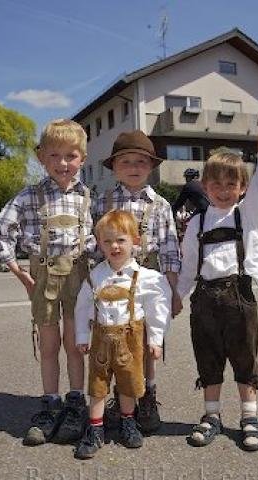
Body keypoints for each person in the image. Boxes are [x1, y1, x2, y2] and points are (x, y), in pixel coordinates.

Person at [175, 105, 258, 451]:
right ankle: (211, 415)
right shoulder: (196, 223)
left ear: (242, 187)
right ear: (204, 186)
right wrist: (178, 295)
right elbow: (189, 265)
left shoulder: (247, 214)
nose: (223, 190)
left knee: (244, 356)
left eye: (231, 184)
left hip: (239, 296)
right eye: (216, 184)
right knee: (208, 356)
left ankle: (249, 417)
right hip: (203, 299)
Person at [0, 119, 94, 446]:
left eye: (71, 156)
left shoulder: (88, 197)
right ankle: (50, 402)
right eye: (54, 156)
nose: (63, 163)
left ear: (83, 159)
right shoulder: (29, 196)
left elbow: (101, 241)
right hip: (42, 277)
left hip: (79, 276)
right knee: (48, 344)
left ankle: (76, 403)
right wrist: (20, 274)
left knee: (75, 344)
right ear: (41, 157)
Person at [92, 130, 181, 434]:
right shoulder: (102, 202)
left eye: (141, 162)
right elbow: (94, 248)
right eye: (126, 161)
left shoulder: (161, 206)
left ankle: (147, 397)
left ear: (151, 167)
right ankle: (120, 397)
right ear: (114, 167)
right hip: (113, 286)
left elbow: (170, 251)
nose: (133, 167)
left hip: (148, 285)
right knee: (114, 340)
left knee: (147, 344)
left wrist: (174, 292)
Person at [74, 210, 171, 459]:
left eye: (121, 240)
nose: (114, 246)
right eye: (107, 241)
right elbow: (83, 307)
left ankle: (128, 422)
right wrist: (83, 336)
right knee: (97, 385)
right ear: (100, 244)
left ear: (135, 241)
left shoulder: (147, 278)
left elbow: (157, 310)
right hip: (101, 341)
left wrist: (155, 340)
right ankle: (95, 428)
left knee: (128, 383)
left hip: (131, 341)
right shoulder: (95, 276)